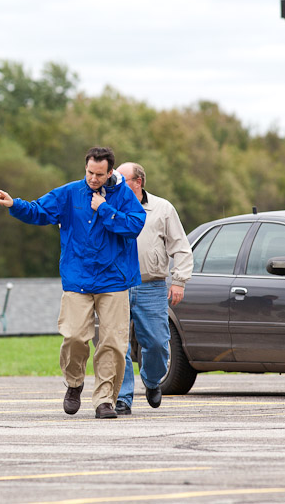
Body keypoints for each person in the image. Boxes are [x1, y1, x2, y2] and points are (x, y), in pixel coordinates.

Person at [0, 147, 146, 419]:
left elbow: (134, 226)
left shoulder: (123, 196)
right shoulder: (69, 193)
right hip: (78, 279)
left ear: (110, 172)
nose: (93, 178)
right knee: (74, 336)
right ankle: (74, 383)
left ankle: (104, 401)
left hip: (114, 281)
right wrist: (14, 204)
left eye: (99, 174)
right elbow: (39, 211)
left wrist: (104, 209)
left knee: (113, 344)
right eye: (89, 172)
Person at [115, 162, 193, 415]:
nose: (115, 183)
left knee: (158, 343)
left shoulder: (162, 208)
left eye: (122, 179)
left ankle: (151, 380)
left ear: (138, 182)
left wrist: (179, 280)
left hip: (152, 285)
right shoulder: (108, 205)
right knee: (118, 344)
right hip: (116, 286)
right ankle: (123, 397)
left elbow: (181, 247)